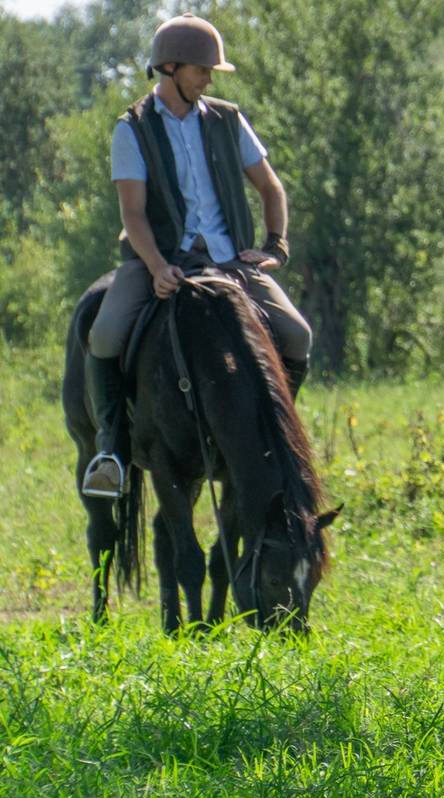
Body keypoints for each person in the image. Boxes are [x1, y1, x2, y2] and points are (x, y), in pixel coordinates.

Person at [79, 14, 312, 499]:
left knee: (296, 334)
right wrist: (158, 267)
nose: (209, 78)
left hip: (230, 263)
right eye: (202, 70)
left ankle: (273, 437)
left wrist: (274, 245)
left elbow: (271, 187)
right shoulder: (132, 129)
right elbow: (134, 213)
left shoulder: (229, 120)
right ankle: (112, 452)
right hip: (159, 263)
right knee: (103, 336)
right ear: (170, 67)